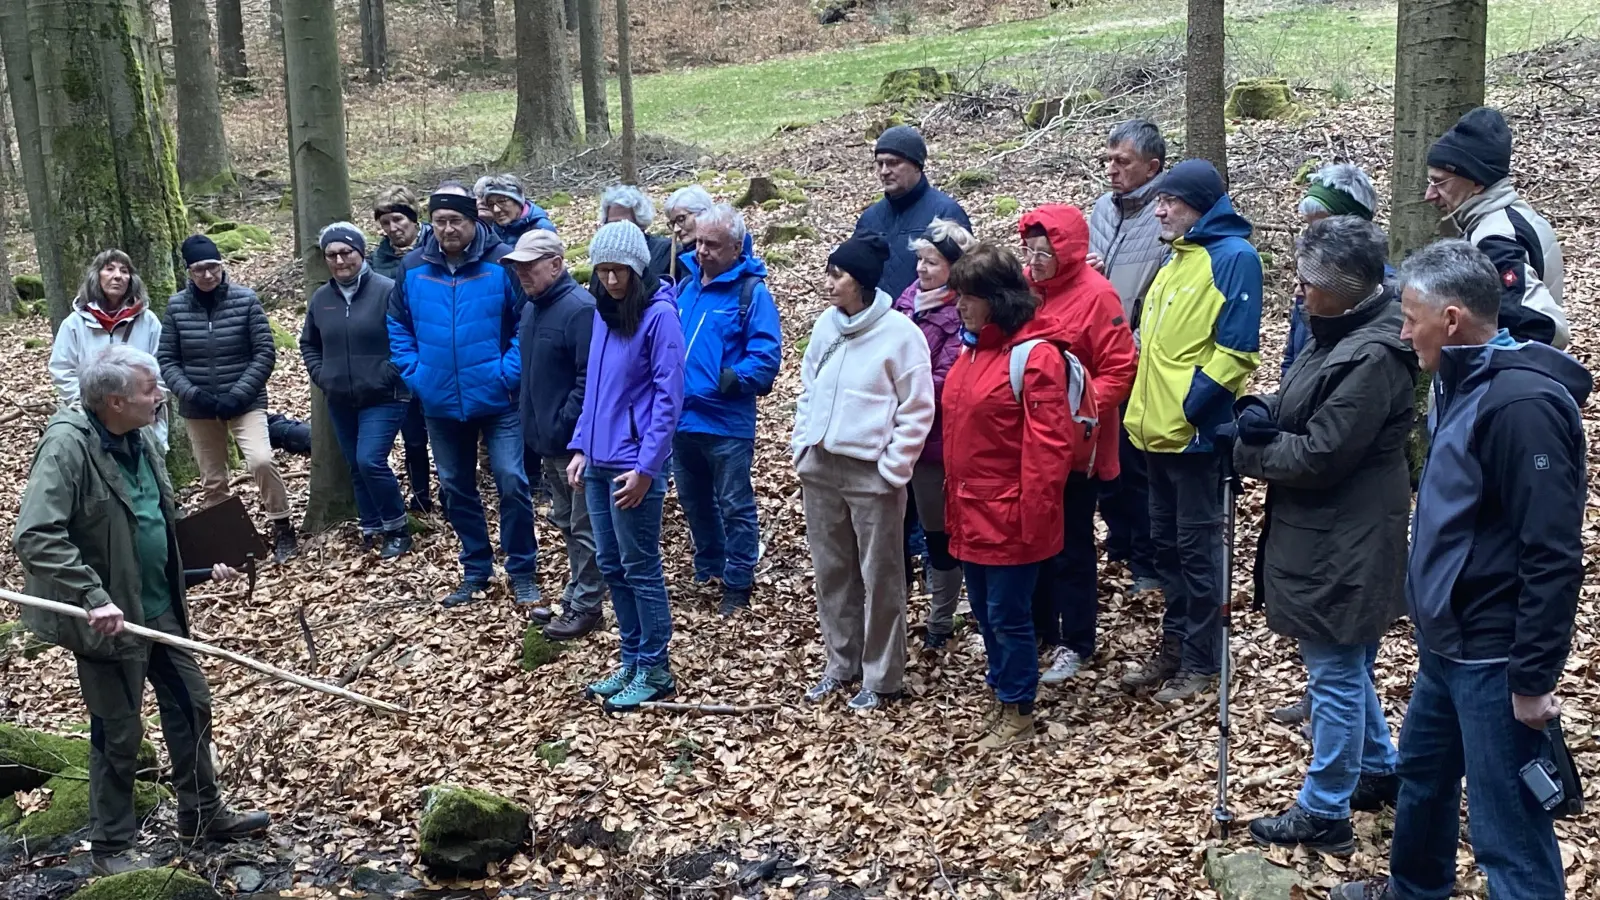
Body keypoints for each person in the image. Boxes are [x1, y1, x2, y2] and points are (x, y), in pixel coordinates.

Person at [1334, 239, 1587, 900]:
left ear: (1450, 320)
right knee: (1423, 776)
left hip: (1493, 654)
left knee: (1508, 824)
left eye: (1410, 315)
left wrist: (1532, 679)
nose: (1402, 329)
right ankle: (1414, 890)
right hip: (1447, 647)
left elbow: (1554, 553)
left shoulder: (1521, 405)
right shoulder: (1458, 380)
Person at [13, 345, 269, 875]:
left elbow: (149, 523)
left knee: (192, 705)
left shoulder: (141, 437)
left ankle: (202, 815)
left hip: (160, 607)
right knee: (119, 729)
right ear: (114, 400)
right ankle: (111, 846)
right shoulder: (67, 446)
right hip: (109, 619)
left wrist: (200, 565)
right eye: (150, 389)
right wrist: (92, 596)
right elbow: (36, 536)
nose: (161, 396)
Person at [1232, 217, 1415, 855]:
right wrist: (1263, 415)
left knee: (1334, 669)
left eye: (1309, 282)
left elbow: (1320, 455)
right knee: (1349, 662)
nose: (1298, 293)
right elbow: (1302, 412)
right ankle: (1378, 768)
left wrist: (1247, 452)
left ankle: (1324, 807)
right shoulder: (1339, 330)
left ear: (1345, 285)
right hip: (1335, 529)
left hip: (1346, 535)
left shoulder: (1372, 352)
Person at [1119, 159, 1262, 703]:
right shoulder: (1176, 258)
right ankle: (1175, 649)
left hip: (1195, 439)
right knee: (1168, 551)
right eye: (1159, 200)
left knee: (1198, 553)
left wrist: (1190, 409)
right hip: (1152, 432)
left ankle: (1202, 662)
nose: (1159, 208)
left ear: (1199, 206)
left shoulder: (1234, 258)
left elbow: (1235, 351)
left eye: (1170, 201)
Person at [942, 244, 1085, 749]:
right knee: (985, 614)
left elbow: (1049, 450)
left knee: (1008, 616)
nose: (959, 305)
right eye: (958, 295)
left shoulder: (1035, 356)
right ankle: (1002, 691)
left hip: (1009, 517)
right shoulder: (973, 350)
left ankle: (1019, 710)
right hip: (969, 509)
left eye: (969, 296)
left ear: (997, 299)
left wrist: (1030, 520)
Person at [793, 234, 934, 711]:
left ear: (863, 282)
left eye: (838, 274)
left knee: (882, 576)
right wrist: (801, 446)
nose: (828, 282)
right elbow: (807, 390)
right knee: (833, 573)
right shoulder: (824, 328)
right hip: (820, 469)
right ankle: (840, 664)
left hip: (873, 475)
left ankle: (881, 676)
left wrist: (893, 468)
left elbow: (918, 408)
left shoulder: (900, 334)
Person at [387, 183, 538, 608]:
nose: (448, 229)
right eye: (440, 221)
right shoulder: (414, 266)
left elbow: (523, 323)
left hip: (498, 398)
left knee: (511, 479)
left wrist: (507, 374)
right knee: (455, 485)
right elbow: (398, 326)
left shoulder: (500, 263)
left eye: (456, 220)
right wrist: (418, 376)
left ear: (473, 221)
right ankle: (476, 567)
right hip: (439, 401)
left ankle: (523, 568)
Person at [567, 222, 685, 710]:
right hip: (596, 459)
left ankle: (656, 668)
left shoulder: (660, 318)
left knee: (640, 565)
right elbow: (596, 387)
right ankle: (632, 658)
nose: (611, 280)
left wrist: (647, 467)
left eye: (619, 271)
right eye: (603, 271)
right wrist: (579, 445)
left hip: (632, 464)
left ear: (638, 269)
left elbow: (668, 398)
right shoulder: (602, 314)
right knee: (612, 564)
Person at [1020, 205, 1137, 683]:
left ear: (1065, 251)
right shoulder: (1027, 291)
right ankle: (1040, 627)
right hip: (1030, 443)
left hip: (1077, 449)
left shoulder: (1097, 296)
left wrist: (1081, 411)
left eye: (1043, 251)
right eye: (1029, 250)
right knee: (1035, 540)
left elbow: (1121, 367)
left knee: (1071, 544)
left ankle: (1077, 640)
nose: (1034, 259)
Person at [158, 235, 297, 563]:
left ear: (222, 266)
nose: (207, 275)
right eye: (198, 270)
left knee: (261, 460)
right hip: (198, 407)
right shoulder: (177, 306)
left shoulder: (246, 300)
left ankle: (283, 527)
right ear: (188, 272)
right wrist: (193, 394)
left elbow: (264, 352)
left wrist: (238, 394)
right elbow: (167, 359)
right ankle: (230, 543)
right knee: (212, 477)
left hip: (245, 402)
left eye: (212, 267)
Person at [672, 204, 782, 615]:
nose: (701, 251)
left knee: (734, 503)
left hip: (725, 422)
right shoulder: (685, 287)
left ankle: (738, 580)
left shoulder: (750, 292)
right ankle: (709, 567)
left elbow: (767, 355)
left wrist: (730, 379)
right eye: (698, 241)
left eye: (712, 245)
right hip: (680, 420)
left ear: (736, 247)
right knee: (694, 500)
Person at [504, 229, 605, 641]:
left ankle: (587, 604)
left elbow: (590, 378)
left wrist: (566, 425)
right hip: (545, 440)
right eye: (518, 267)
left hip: (573, 443)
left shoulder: (579, 309)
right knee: (565, 520)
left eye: (530, 265)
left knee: (584, 524)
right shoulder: (532, 308)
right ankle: (575, 593)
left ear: (556, 264)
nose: (523, 274)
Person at [1087, 118, 1167, 596]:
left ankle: (1146, 560)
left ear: (1152, 168)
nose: (1112, 170)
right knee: (1104, 462)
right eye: (1108, 160)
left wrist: (1129, 349)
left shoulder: (1163, 214)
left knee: (1136, 467)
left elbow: (1158, 292)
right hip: (1096, 354)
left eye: (1123, 162)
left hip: (1137, 358)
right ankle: (1119, 543)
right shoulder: (1101, 208)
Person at [299, 223, 412, 559]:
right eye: (331, 255)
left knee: (370, 460)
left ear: (361, 253)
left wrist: (388, 374)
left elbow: (407, 340)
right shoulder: (322, 298)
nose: (339, 260)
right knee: (355, 464)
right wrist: (323, 375)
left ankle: (397, 527)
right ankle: (371, 524)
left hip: (385, 395)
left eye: (346, 252)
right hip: (341, 396)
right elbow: (309, 343)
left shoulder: (387, 290)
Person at [892, 217, 975, 649]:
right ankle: (895, 616)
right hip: (894, 436)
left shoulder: (962, 313)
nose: (923, 270)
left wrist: (901, 390)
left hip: (934, 443)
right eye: (921, 260)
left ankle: (941, 621)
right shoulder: (905, 303)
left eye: (934, 262)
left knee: (937, 534)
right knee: (894, 532)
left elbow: (945, 378)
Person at [1425, 106, 1566, 347]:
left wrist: (1494, 366)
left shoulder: (1495, 238)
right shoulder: (1514, 215)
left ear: (1477, 182)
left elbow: (1549, 328)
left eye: (1439, 182)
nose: (1429, 194)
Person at [49, 249, 169, 451]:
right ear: (97, 276)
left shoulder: (148, 321)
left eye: (124, 271)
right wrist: (87, 405)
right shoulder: (75, 324)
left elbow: (164, 365)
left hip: (143, 420)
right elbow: (62, 369)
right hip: (93, 422)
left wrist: (152, 401)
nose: (118, 276)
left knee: (148, 476)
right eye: (109, 269)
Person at [1282, 163, 1384, 377]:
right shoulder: (1311, 281)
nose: (1310, 235)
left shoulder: (1381, 289)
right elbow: (1293, 356)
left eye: (1322, 226)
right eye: (1308, 224)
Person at [853, 125, 972, 302]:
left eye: (893, 163)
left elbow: (966, 279)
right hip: (875, 324)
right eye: (880, 164)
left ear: (916, 165)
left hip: (932, 323)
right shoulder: (869, 219)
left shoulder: (945, 213)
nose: (884, 171)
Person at [370, 186, 434, 515]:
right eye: (385, 223)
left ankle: (456, 492)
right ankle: (421, 495)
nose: (393, 228)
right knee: (412, 434)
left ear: (412, 218)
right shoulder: (376, 262)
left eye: (398, 219)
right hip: (400, 356)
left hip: (438, 350)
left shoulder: (436, 248)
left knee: (448, 427)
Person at [597, 185, 675, 286]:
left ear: (640, 224)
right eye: (611, 224)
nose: (617, 230)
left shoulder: (665, 251)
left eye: (624, 223)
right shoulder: (603, 259)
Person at [481, 173, 557, 244]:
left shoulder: (541, 229)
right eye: (490, 204)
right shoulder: (492, 230)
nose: (496, 209)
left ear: (518, 201)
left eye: (501, 201)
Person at [664, 185, 716, 283]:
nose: (676, 229)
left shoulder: (722, 253)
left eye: (681, 219)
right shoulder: (682, 258)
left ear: (702, 213)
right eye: (673, 223)